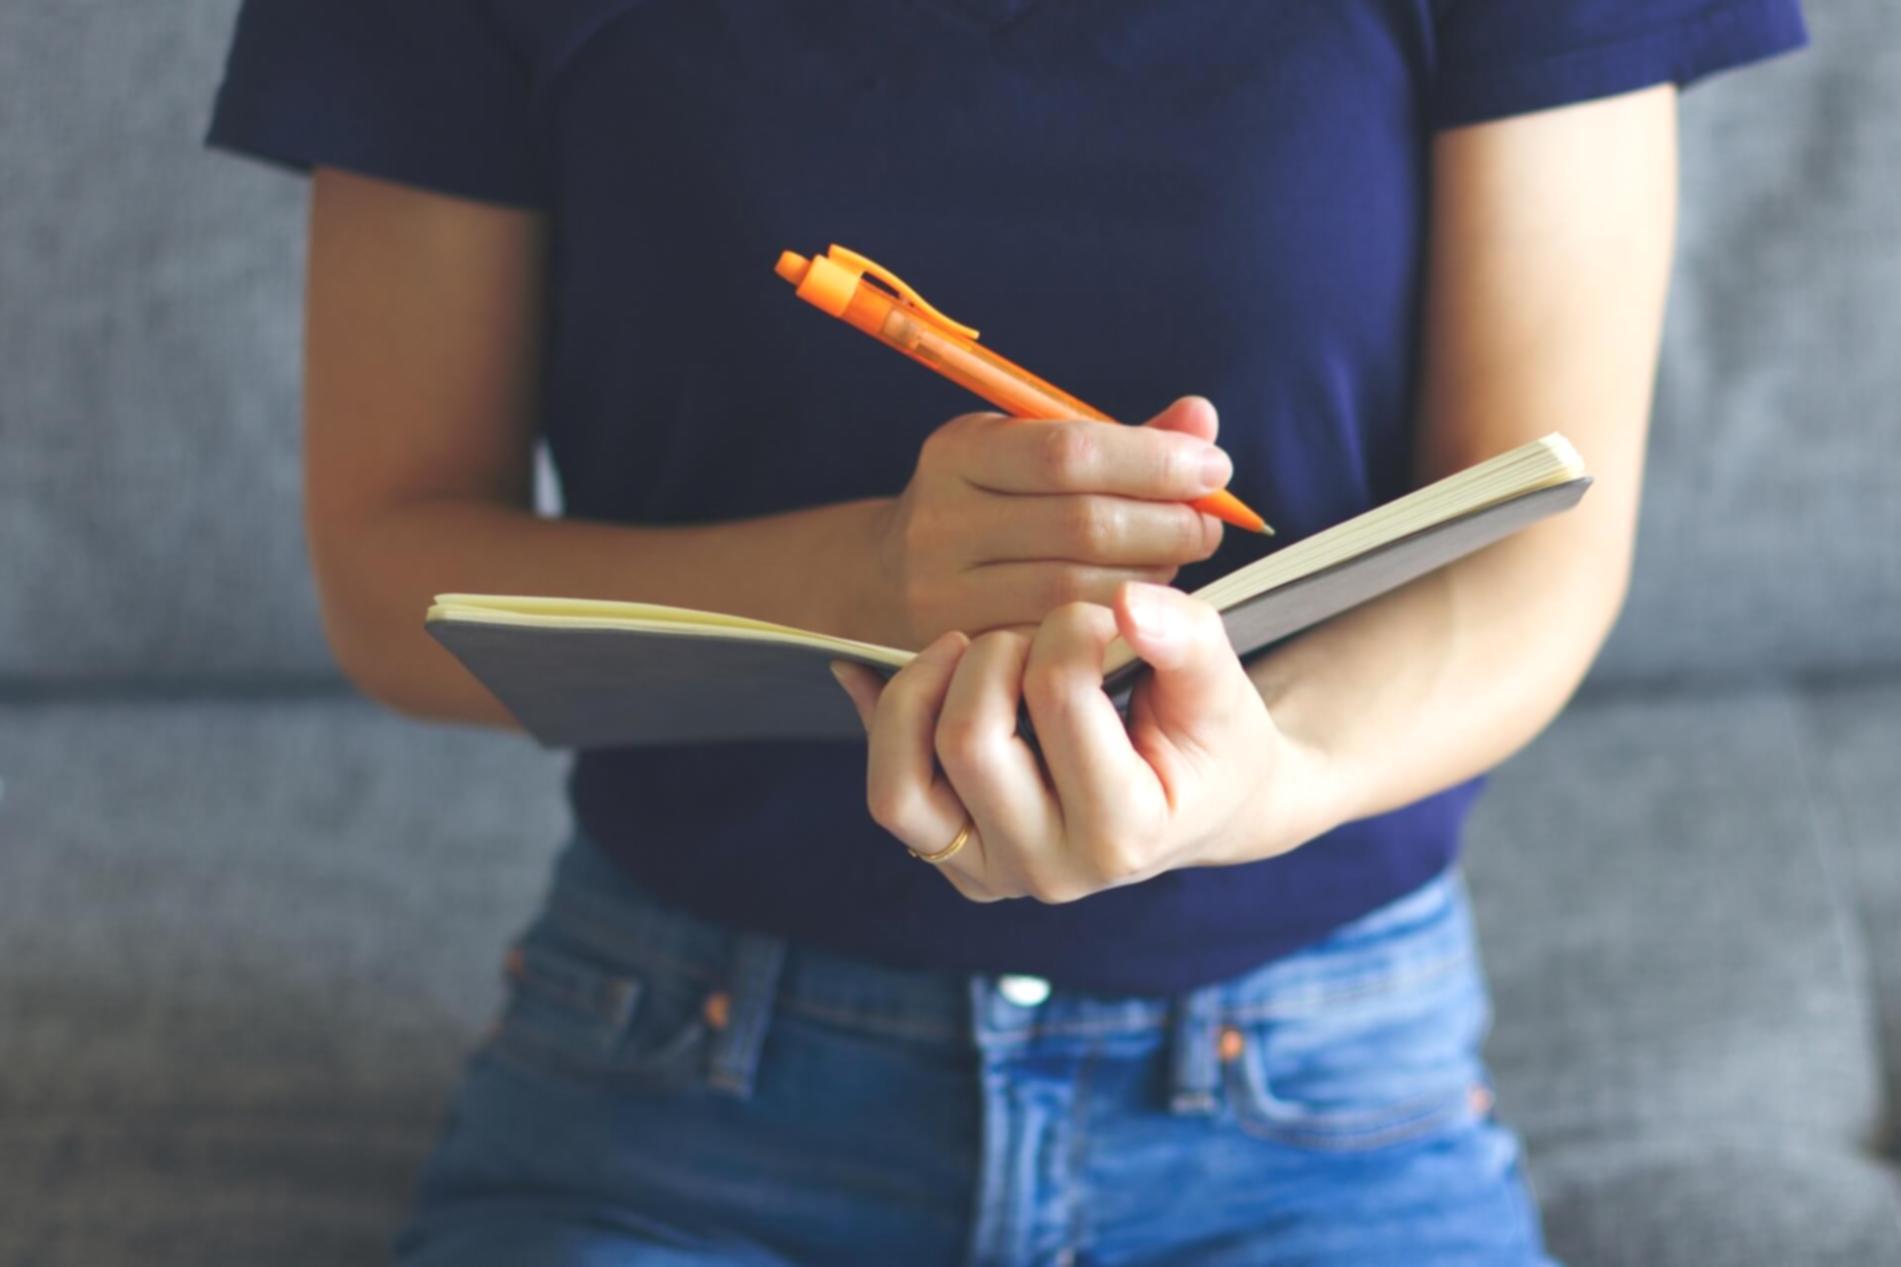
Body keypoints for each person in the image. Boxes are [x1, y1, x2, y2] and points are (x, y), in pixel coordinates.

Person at [203, 2, 1808, 1263]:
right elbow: (389, 572)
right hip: (677, 1095)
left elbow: (1535, 545)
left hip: (1314, 1088)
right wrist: (868, 579)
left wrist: (1264, 775)